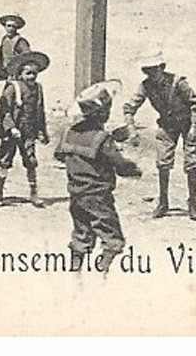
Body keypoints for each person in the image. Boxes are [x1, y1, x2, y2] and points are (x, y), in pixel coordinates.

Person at [56, 81, 142, 272]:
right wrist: (133, 169)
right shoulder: (102, 139)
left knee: (81, 232)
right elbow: (119, 164)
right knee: (111, 234)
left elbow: (60, 154)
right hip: (98, 195)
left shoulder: (69, 132)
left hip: (76, 193)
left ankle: (75, 267)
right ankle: (103, 270)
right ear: (103, 113)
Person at [122, 52, 196, 220]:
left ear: (162, 68)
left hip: (188, 123)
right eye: (147, 71)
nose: (150, 74)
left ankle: (193, 202)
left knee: (192, 164)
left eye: (153, 70)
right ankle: (163, 202)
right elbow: (129, 107)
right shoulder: (146, 86)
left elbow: (195, 104)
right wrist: (131, 129)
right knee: (163, 163)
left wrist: (194, 128)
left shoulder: (178, 83)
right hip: (167, 125)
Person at [0, 50, 50, 206]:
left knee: (31, 161)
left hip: (29, 131)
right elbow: (4, 111)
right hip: (12, 132)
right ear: (20, 74)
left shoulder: (38, 89)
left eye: (35, 73)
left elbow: (40, 111)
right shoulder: (13, 88)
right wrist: (11, 127)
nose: (32, 77)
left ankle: (33, 193)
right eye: (28, 73)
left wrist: (42, 131)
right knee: (5, 161)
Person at [0, 14, 32, 81]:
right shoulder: (4, 40)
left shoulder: (20, 41)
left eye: (13, 26)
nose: (10, 29)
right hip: (8, 74)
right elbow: (2, 57)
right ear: (5, 27)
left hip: (18, 74)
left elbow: (28, 58)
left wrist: (20, 73)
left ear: (16, 28)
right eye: (8, 26)